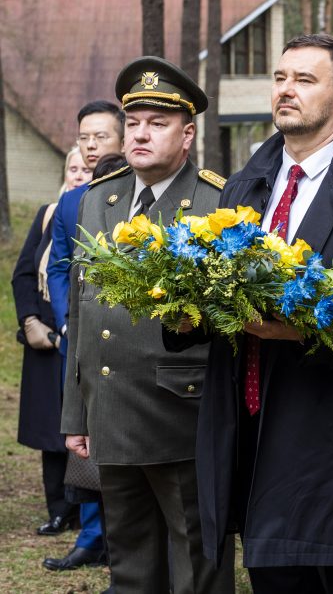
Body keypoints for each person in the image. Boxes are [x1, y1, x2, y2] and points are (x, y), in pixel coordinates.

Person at [180, 33, 333, 593]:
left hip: (331, 436)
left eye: (305, 80)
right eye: (280, 78)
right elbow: (218, 290)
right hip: (247, 429)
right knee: (270, 577)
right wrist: (183, 312)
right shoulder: (245, 184)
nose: (286, 91)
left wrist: (295, 325)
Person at [60, 56, 234, 593]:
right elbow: (81, 312)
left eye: (158, 124)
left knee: (196, 563)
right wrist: (76, 412)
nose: (140, 134)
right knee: (131, 563)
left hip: (180, 413)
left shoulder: (217, 202)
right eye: (134, 122)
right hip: (110, 411)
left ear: (187, 135)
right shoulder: (98, 199)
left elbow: (227, 319)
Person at [43, 100, 126, 574]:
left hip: (126, 340)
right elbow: (58, 266)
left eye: (100, 137)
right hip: (80, 339)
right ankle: (93, 535)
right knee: (85, 437)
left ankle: (125, 537)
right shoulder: (71, 201)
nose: (91, 146)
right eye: (84, 138)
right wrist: (66, 321)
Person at [12, 146, 91, 538]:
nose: (78, 174)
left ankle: (84, 506)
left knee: (79, 426)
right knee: (50, 431)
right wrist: (29, 321)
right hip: (45, 339)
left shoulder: (94, 211)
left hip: (77, 336)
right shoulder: (48, 214)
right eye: (72, 168)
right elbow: (24, 273)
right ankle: (58, 509)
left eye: (84, 168)